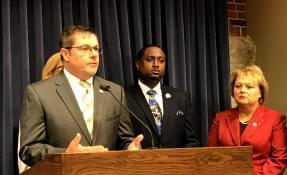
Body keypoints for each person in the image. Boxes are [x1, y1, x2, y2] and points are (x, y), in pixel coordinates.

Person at [19, 25, 143, 167]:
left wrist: (131, 149)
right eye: (85, 48)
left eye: (96, 49)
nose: (94, 54)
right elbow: (29, 149)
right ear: (65, 54)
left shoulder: (113, 91)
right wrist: (66, 154)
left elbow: (125, 140)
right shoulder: (39, 93)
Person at [208, 65, 287, 175]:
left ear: (261, 92)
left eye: (249, 86)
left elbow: (279, 159)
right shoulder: (220, 118)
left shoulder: (275, 119)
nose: (242, 90)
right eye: (238, 86)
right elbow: (212, 156)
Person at [125, 44, 200, 149]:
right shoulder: (123, 97)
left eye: (161, 60)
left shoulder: (181, 98)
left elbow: (191, 140)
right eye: (150, 59)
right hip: (140, 163)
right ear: (138, 64)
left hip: (176, 163)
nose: (156, 64)